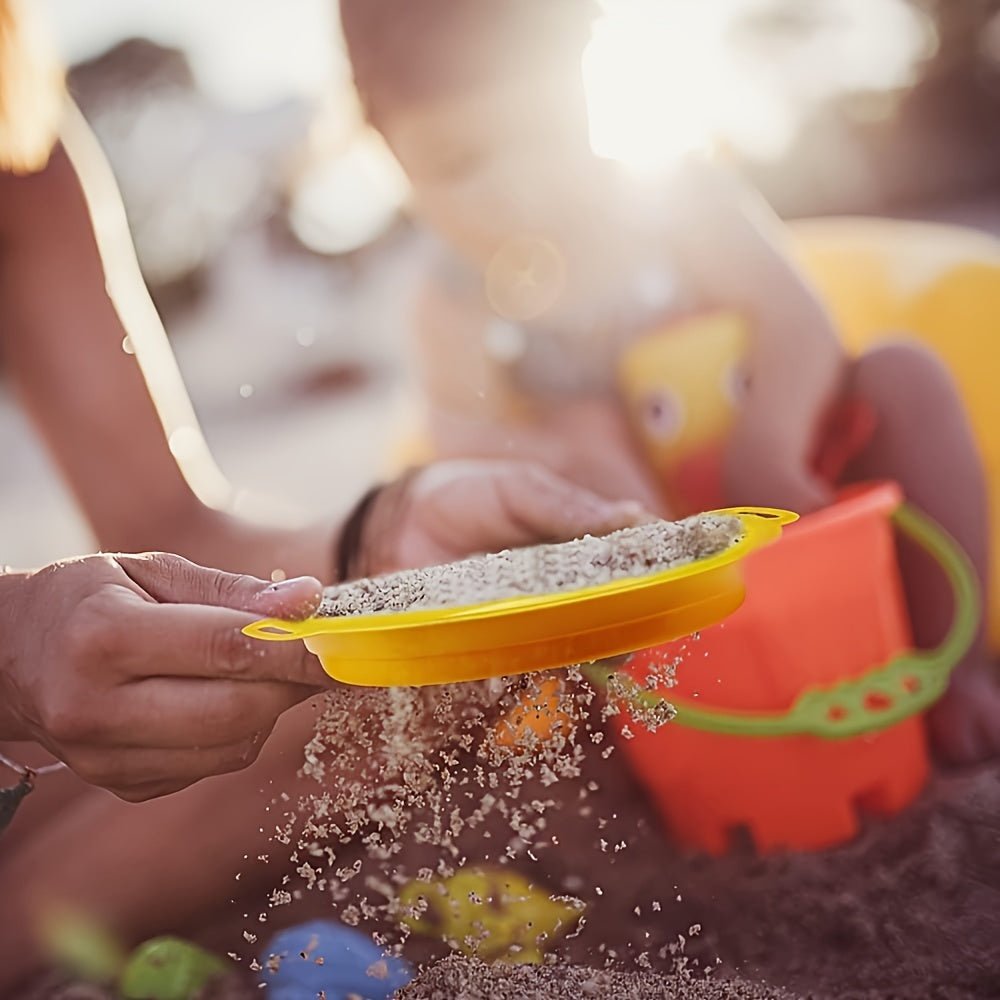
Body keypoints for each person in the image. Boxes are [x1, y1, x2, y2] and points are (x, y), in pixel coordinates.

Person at [0, 1, 649, 990]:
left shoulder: (17, 125)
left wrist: (378, 540)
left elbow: (169, 527)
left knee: (430, 679)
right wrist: (14, 656)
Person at [338, 0, 1000, 764]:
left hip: (796, 483)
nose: (514, 187)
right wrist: (564, 454)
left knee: (902, 375)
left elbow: (797, 323)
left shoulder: (672, 200)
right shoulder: (452, 296)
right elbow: (454, 433)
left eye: (542, 133)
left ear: (589, 77)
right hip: (633, 548)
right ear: (388, 159)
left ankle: (957, 666)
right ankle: (661, 717)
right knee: (572, 438)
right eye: (456, 165)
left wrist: (771, 440)